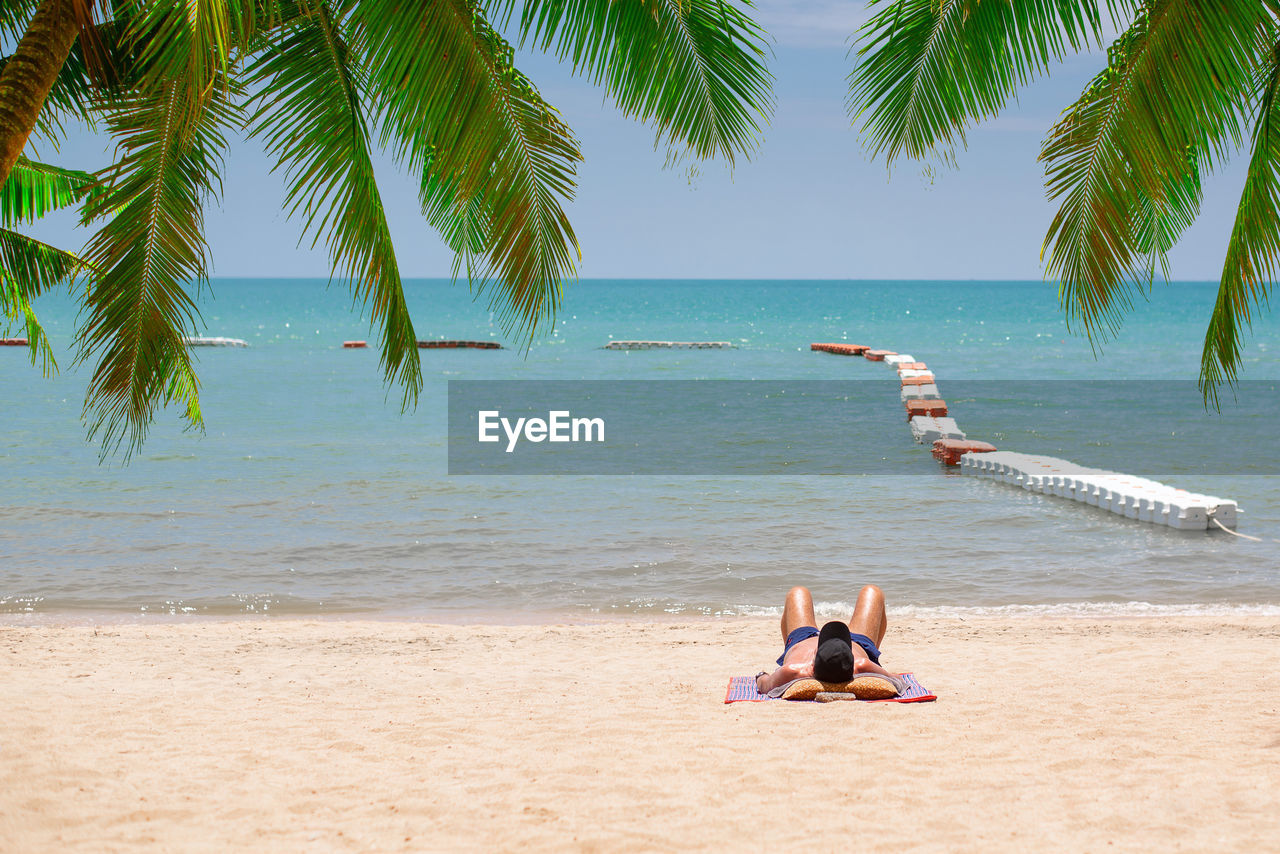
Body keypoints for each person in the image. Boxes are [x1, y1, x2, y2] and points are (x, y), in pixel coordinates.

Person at [755, 584, 892, 694]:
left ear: (813, 661)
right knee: (873, 591)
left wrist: (761, 675)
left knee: (797, 592)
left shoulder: (792, 670)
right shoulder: (862, 665)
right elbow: (895, 679)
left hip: (802, 639)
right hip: (857, 644)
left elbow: (764, 684)